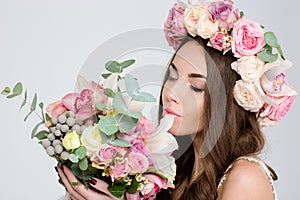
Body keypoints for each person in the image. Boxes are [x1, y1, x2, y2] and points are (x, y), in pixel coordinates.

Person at [58, 0, 297, 199]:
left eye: (195, 87)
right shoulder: (172, 172)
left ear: (229, 105)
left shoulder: (246, 177)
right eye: (172, 76)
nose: (171, 93)